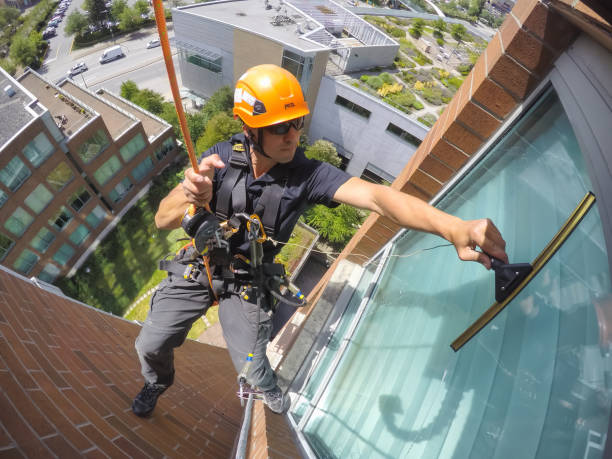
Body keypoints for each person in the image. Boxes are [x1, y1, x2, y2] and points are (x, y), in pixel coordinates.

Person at [131, 64, 508, 417]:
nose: (293, 134)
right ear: (250, 129)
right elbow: (162, 219)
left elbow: (378, 197)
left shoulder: (308, 175)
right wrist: (190, 193)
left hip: (247, 281)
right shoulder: (219, 161)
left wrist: (452, 227)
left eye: (297, 122)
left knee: (251, 362)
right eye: (280, 127)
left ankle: (265, 386)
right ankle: (157, 381)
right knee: (150, 343)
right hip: (201, 264)